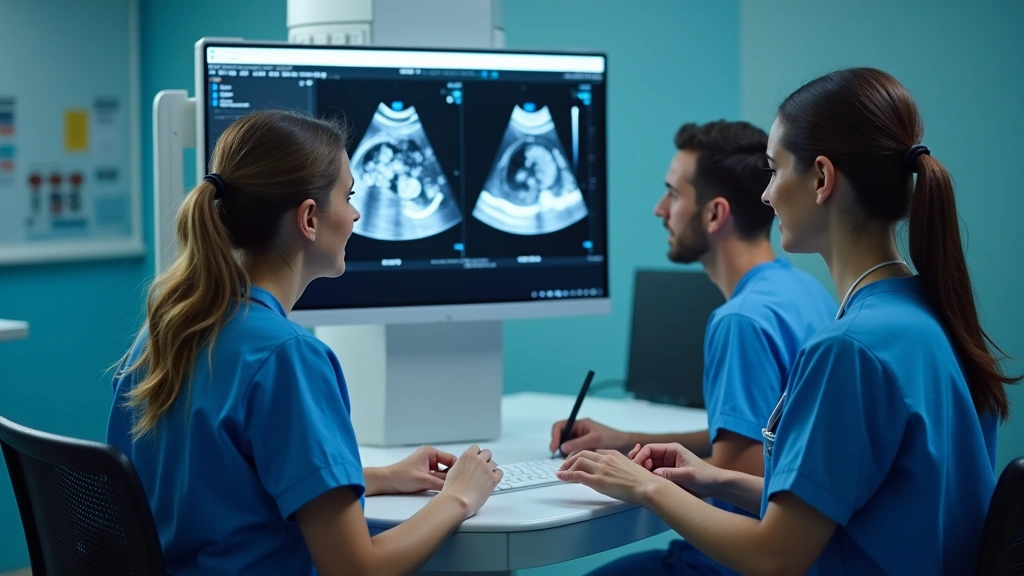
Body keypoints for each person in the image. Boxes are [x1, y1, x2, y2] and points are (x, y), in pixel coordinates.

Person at [555, 67, 1020, 575]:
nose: (766, 194)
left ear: (821, 179)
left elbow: (774, 557)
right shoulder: (929, 313)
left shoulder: (851, 349)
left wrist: (644, 486)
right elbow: (864, 506)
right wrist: (714, 478)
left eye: (775, 170)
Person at [106, 110, 503, 576]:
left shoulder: (166, 329)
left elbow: (221, 486)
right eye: (348, 197)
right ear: (309, 218)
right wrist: (459, 497)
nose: (355, 214)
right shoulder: (287, 358)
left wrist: (383, 477)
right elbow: (356, 570)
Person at [549, 120, 835, 576]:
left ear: (714, 214)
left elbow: (744, 471)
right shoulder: (805, 291)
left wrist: (636, 478)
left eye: (673, 194)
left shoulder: (740, 321)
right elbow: (759, 436)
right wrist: (628, 442)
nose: (659, 209)